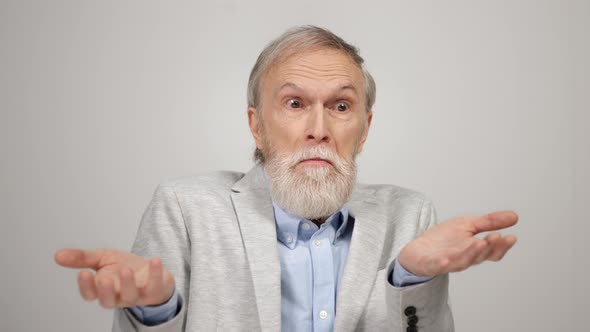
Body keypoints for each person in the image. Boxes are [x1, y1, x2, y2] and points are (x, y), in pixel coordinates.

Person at [55, 25, 518, 332]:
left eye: (341, 106)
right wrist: (155, 310)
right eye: (295, 104)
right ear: (257, 125)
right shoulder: (186, 207)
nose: (319, 128)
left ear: (364, 128)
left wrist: (409, 276)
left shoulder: (409, 214)